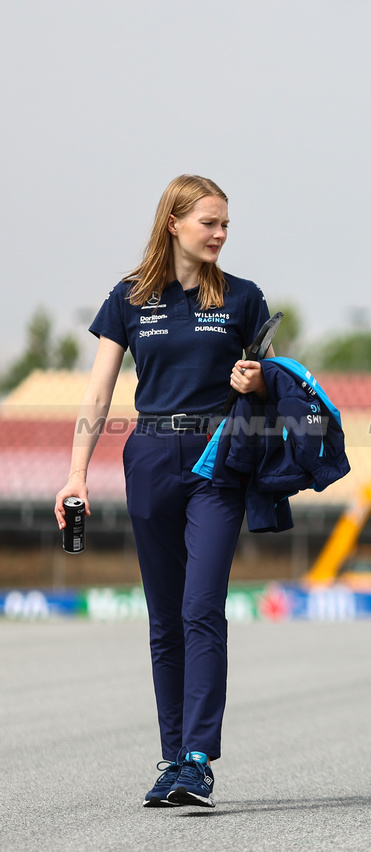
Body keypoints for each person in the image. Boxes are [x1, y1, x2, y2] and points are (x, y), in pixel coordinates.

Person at [54, 174, 273, 809]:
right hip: (148, 453)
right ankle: (171, 755)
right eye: (210, 222)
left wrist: (254, 382)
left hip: (215, 457)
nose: (221, 234)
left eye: (227, 224)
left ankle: (199, 760)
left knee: (200, 606)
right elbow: (98, 391)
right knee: (163, 618)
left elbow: (269, 383)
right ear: (173, 222)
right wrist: (76, 472)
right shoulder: (128, 297)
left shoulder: (243, 297)